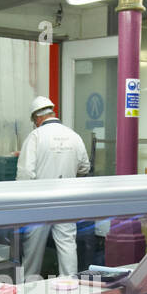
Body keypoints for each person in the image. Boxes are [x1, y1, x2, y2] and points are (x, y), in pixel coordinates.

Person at [17, 96, 90, 277]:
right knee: (67, 244)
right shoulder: (73, 135)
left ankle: (29, 286)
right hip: (66, 200)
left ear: (36, 118)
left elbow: (25, 174)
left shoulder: (35, 136)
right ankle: (70, 285)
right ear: (52, 112)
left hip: (39, 202)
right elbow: (85, 167)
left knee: (33, 248)